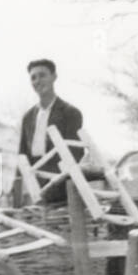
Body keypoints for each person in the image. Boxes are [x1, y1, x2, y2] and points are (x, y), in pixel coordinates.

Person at [19, 59, 87, 205]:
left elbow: (75, 154)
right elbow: (22, 155)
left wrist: (53, 185)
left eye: (42, 75)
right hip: (34, 187)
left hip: (62, 187)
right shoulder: (28, 117)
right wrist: (19, 188)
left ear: (54, 77)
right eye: (33, 77)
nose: (38, 81)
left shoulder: (70, 113)